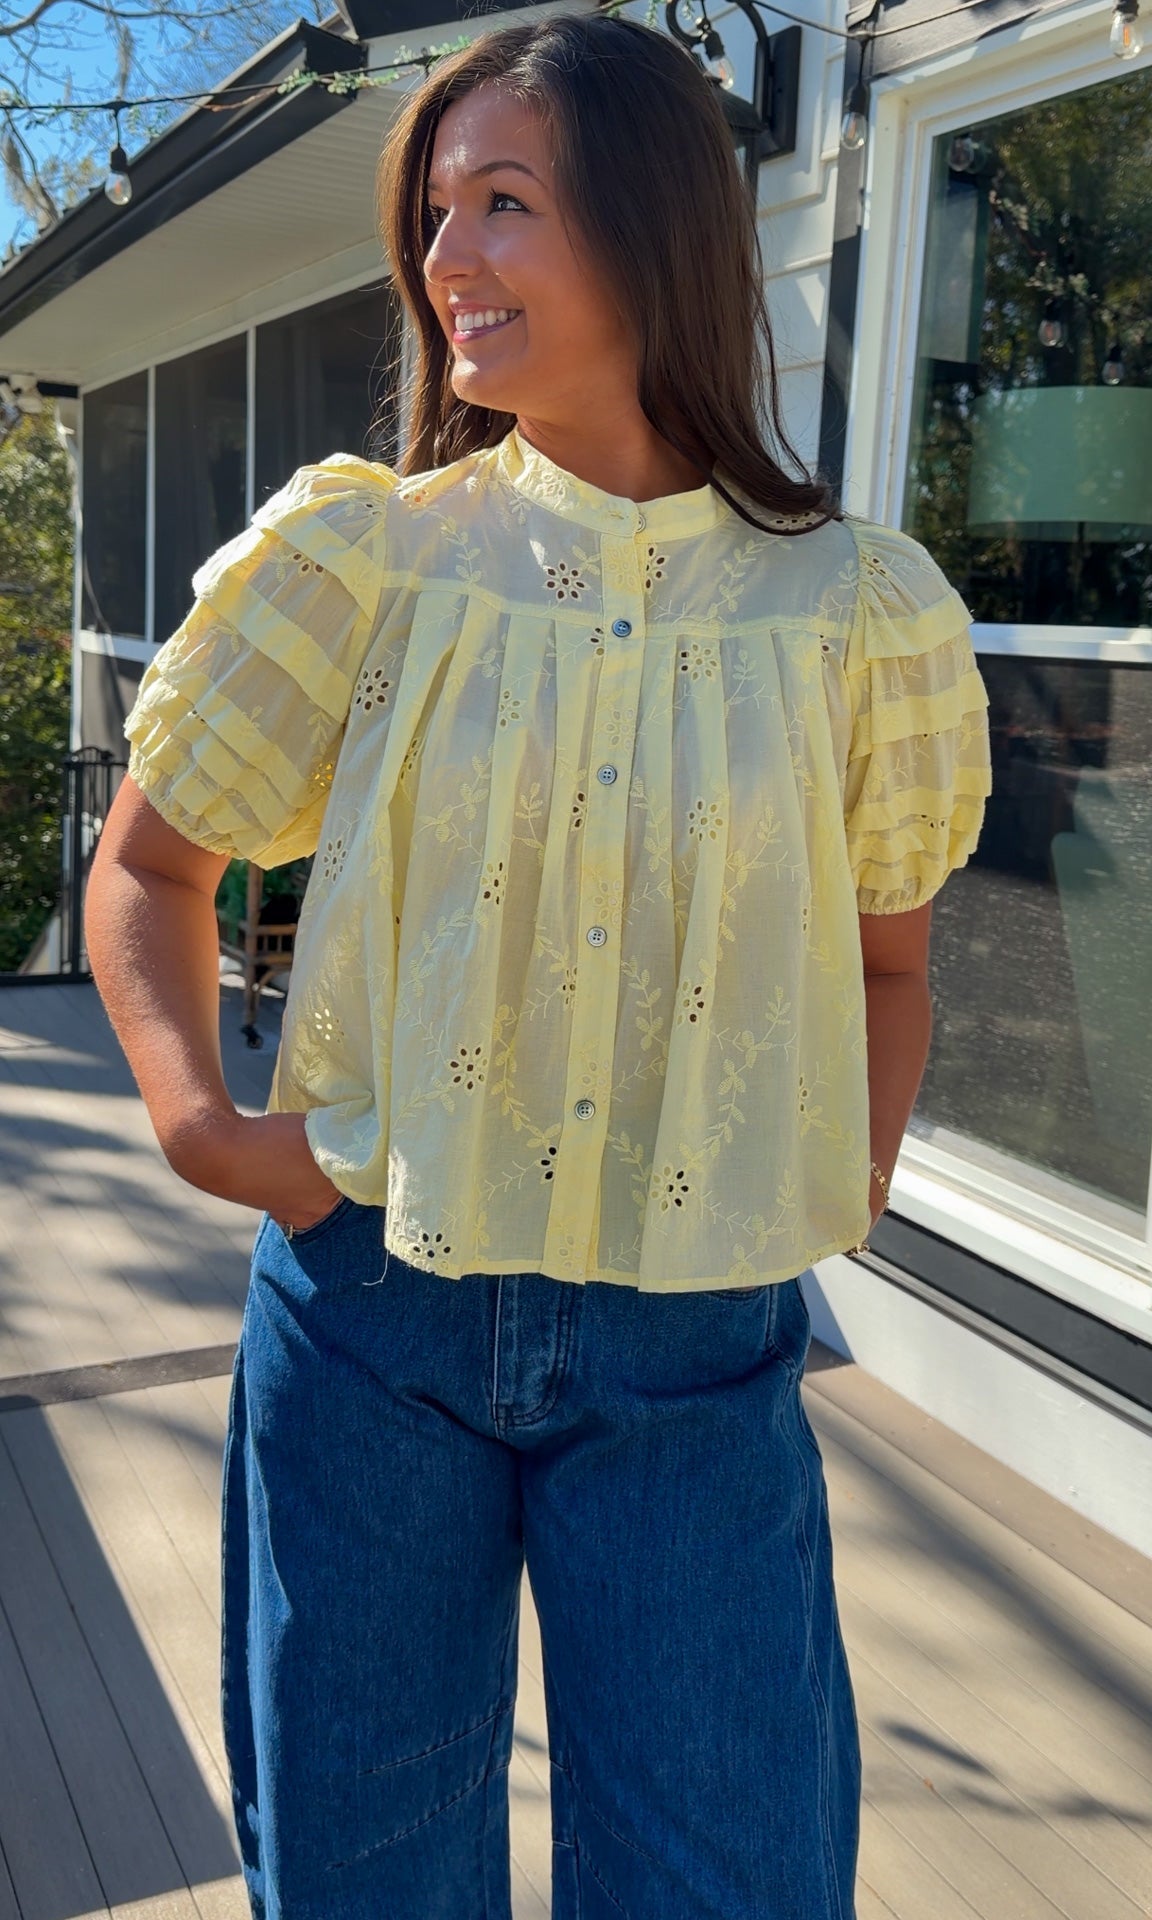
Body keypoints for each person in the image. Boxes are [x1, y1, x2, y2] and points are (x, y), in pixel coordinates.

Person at [85, 12, 992, 1918]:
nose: (448, 259)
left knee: (730, 1879)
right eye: (434, 213)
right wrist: (199, 1127)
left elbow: (888, 969)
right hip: (371, 1313)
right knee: (363, 1882)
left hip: (700, 1346)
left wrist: (840, 1173)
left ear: (659, 225)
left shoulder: (858, 614)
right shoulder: (367, 561)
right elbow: (151, 867)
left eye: (503, 201)